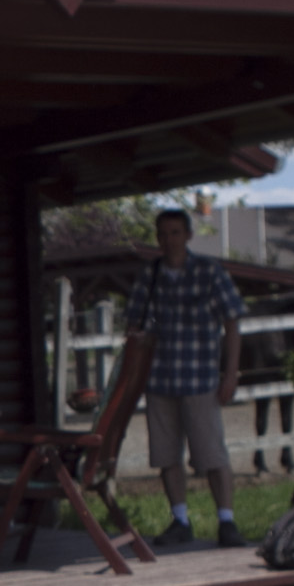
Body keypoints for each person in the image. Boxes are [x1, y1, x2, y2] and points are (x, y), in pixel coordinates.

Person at [125, 208, 247, 548]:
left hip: (200, 378)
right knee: (166, 455)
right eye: (163, 234)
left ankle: (227, 520)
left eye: (175, 233)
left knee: (211, 453)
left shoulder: (209, 272)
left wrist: (231, 374)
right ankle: (179, 518)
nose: (169, 240)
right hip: (160, 380)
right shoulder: (149, 276)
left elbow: (233, 322)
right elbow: (132, 327)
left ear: (188, 235)